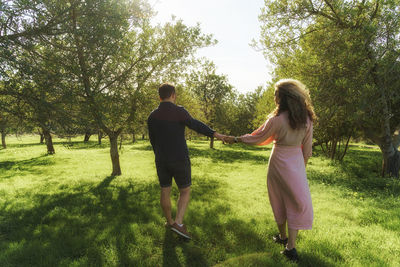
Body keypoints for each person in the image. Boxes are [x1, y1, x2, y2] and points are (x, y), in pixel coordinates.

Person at [224, 79, 316, 262]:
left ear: (283, 97)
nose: (274, 97)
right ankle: (290, 245)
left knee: (278, 198)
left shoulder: (276, 120)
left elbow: (257, 137)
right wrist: (301, 169)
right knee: (296, 201)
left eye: (276, 94)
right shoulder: (306, 119)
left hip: (279, 162)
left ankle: (285, 240)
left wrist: (235, 139)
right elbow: (307, 150)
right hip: (296, 163)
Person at [147, 83, 225, 239]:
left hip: (161, 159)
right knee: (185, 190)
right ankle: (179, 223)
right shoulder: (179, 111)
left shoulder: (152, 116)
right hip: (179, 159)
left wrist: (159, 155)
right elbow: (197, 126)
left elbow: (152, 140)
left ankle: (169, 222)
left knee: (165, 190)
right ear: (173, 95)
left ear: (159, 96)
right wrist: (217, 135)